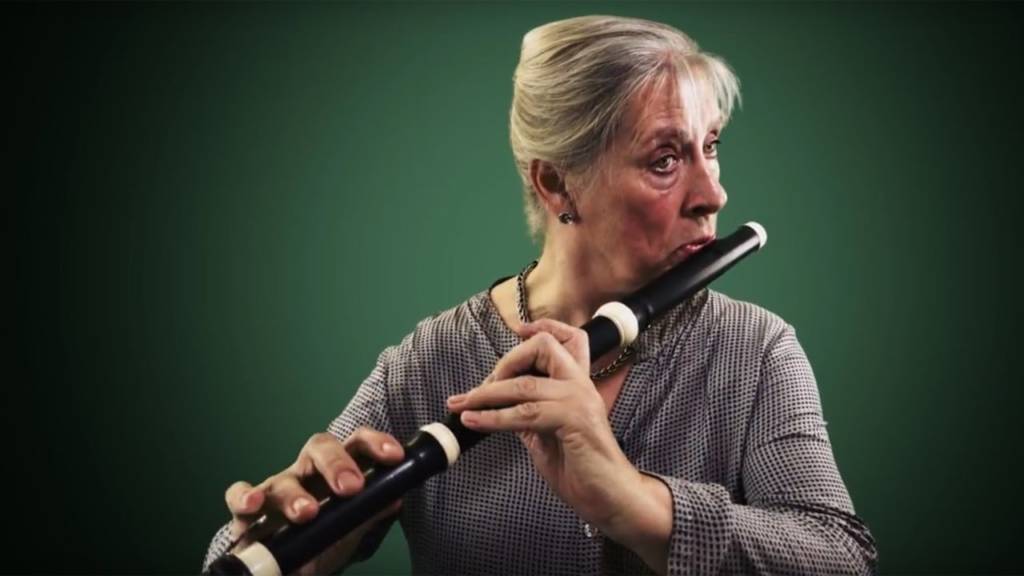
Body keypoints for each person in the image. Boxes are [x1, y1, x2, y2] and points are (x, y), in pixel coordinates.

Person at [203, 15, 877, 575]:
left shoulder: (756, 351)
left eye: (711, 146)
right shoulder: (426, 362)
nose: (713, 194)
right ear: (555, 184)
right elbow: (228, 558)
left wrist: (636, 504)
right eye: (665, 160)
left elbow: (841, 558)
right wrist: (292, 545)